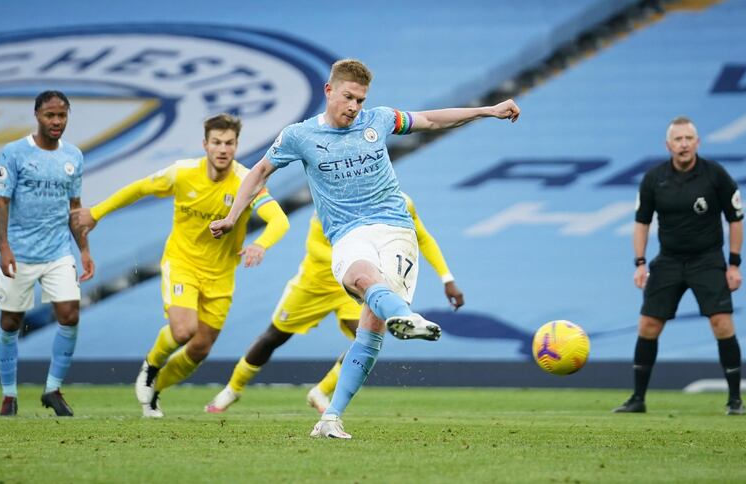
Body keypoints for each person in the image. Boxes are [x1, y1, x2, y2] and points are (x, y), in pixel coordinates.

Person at [209, 58, 520, 438]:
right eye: (348, 97)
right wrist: (232, 216)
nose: (354, 106)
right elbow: (258, 172)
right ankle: (406, 316)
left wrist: (487, 111)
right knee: (360, 275)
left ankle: (330, 418)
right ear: (329, 91)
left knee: (371, 329)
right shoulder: (300, 136)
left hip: (395, 229)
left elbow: (433, 120)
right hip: (348, 233)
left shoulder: (379, 120)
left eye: (360, 99)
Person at [71, 114, 289, 418]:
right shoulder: (182, 173)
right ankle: (152, 364)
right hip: (182, 263)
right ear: (205, 144)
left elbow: (279, 220)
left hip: (221, 276)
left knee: (200, 348)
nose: (223, 149)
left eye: (229, 143)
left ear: (237, 145)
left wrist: (260, 244)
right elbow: (140, 188)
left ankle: (155, 390)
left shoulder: (245, 181)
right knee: (184, 330)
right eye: (216, 142)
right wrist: (97, 212)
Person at [204, 192, 465, 414]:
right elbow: (315, 247)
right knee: (273, 337)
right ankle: (232, 389)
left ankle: (321, 392)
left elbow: (422, 238)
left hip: (356, 286)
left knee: (364, 339)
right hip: (314, 284)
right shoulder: (333, 203)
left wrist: (447, 277)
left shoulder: (401, 202)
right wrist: (359, 255)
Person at [613, 116, 745, 416]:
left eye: (688, 139)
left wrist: (734, 264)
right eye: (678, 139)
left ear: (698, 142)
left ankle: (735, 400)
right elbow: (642, 222)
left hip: (708, 259)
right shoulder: (654, 178)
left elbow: (736, 219)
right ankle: (637, 398)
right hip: (669, 260)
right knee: (648, 325)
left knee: (722, 324)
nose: (683, 144)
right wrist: (640, 262)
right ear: (668, 145)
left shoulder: (715, 175)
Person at [0, 90, 94, 417]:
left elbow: (75, 208)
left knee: (70, 315)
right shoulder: (15, 152)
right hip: (19, 252)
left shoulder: (73, 156)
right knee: (10, 322)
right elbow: (1, 202)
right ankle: (9, 395)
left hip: (57, 251)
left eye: (62, 116)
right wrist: (4, 247)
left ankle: (52, 389)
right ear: (37, 116)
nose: (56, 122)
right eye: (50, 115)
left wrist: (84, 250)